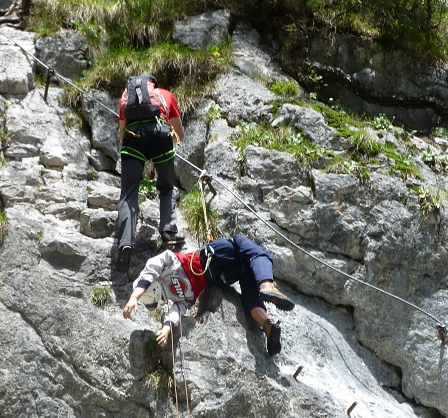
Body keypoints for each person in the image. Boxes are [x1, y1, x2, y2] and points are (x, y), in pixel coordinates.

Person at [123, 235, 295, 356]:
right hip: (220, 263)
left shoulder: (166, 264)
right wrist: (167, 328)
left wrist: (134, 297)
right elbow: (177, 309)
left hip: (218, 264)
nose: (160, 300)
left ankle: (267, 318)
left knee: (253, 287)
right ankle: (267, 306)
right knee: (258, 259)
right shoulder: (174, 294)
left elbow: (150, 270)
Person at [115, 74, 185, 273]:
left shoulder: (125, 99)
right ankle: (169, 232)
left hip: (133, 138)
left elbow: (122, 136)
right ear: (153, 86)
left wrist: (141, 150)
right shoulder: (165, 96)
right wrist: (156, 152)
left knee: (128, 193)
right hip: (160, 137)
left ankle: (125, 243)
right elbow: (179, 135)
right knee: (166, 187)